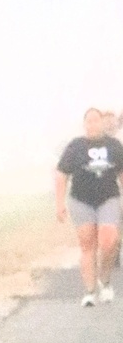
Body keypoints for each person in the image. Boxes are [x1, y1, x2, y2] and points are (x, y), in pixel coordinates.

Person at [55, 108, 123, 306]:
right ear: (84, 124)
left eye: (96, 120)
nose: (93, 124)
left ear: (102, 123)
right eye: (89, 121)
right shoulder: (76, 146)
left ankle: (105, 281)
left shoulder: (114, 146)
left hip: (108, 198)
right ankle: (90, 291)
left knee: (109, 241)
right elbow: (61, 175)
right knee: (87, 245)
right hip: (81, 201)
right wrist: (59, 203)